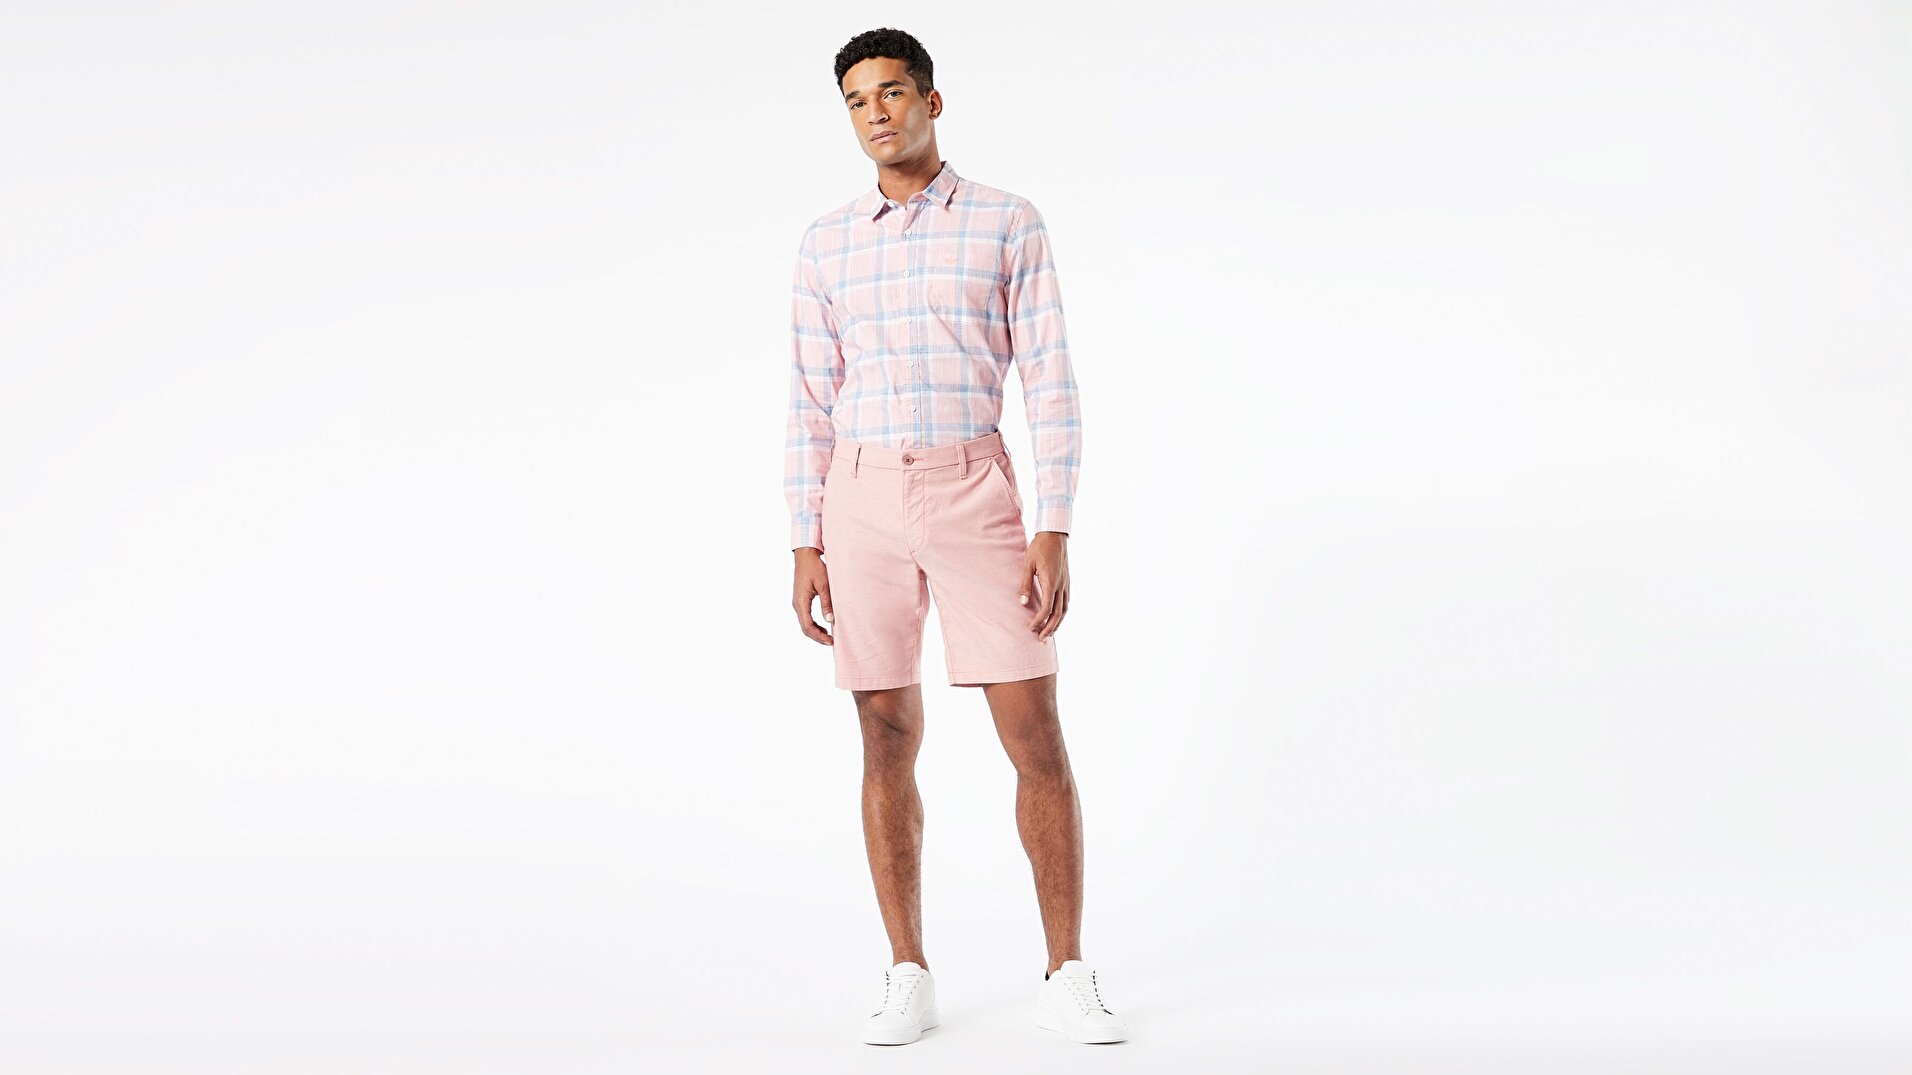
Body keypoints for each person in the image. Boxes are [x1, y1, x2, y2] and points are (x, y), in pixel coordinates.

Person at [783, 27, 1128, 1047]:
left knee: (1034, 729)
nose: (876, 114)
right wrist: (803, 538)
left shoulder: (1006, 221)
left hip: (975, 487)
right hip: (859, 497)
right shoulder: (825, 243)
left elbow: (1049, 376)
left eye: (891, 92)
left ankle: (1067, 968)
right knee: (884, 732)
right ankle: (908, 969)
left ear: (932, 101)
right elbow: (809, 398)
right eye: (857, 100)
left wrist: (1054, 521)